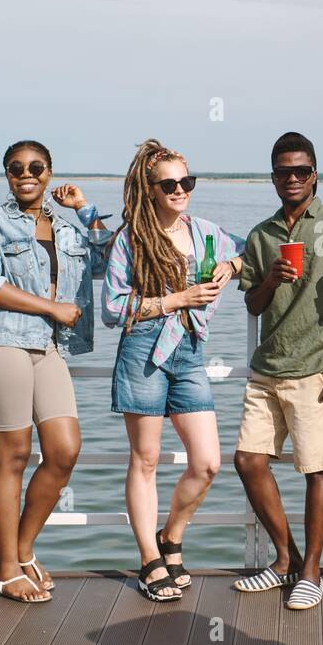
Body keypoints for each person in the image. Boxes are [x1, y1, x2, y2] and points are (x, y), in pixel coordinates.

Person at [0, 141, 112, 603]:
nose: (25, 175)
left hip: (49, 346)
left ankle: (24, 550)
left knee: (64, 451)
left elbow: (107, 260)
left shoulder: (65, 227)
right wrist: (50, 306)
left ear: (49, 172)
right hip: (3, 342)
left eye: (35, 167)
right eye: (15, 168)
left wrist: (84, 210)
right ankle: (6, 569)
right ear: (6, 174)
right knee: (14, 456)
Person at [102, 139, 245, 602]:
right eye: (170, 183)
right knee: (145, 460)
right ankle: (149, 560)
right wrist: (175, 299)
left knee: (207, 463)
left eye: (187, 181)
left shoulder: (204, 232)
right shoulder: (131, 238)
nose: (180, 189)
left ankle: (172, 537)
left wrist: (232, 263)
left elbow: (255, 250)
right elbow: (112, 307)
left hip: (189, 350)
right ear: (150, 188)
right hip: (143, 349)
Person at [232, 132, 323, 610]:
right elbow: (252, 302)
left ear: (315, 173)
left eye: (301, 171)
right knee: (248, 460)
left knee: (316, 468)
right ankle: (284, 560)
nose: (292, 178)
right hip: (268, 365)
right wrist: (269, 278)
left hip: (316, 365)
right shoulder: (261, 234)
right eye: (283, 172)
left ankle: (312, 570)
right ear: (272, 177)